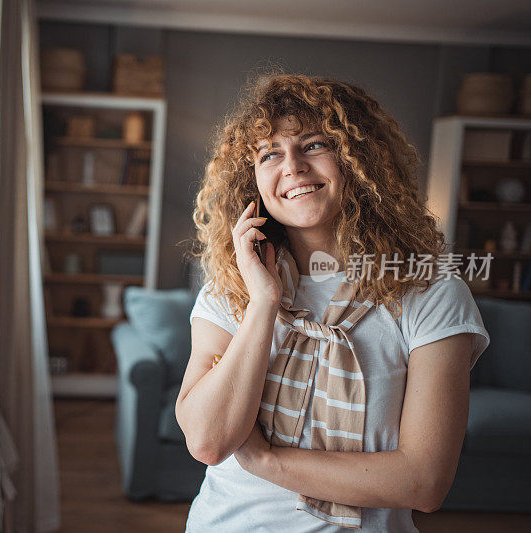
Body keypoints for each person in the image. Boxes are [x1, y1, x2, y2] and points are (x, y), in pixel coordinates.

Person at [176, 73, 491, 532]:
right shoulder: (230, 289)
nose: (293, 167)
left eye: (313, 145)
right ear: (254, 180)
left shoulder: (431, 293)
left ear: (359, 160)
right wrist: (264, 303)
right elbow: (208, 440)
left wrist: (266, 460)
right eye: (270, 154)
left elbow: (425, 483)